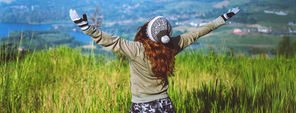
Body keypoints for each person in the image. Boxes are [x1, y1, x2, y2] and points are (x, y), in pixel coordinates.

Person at [69, 7, 240, 113]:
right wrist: (222, 19)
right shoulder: (172, 46)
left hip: (142, 107)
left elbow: (111, 40)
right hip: (165, 106)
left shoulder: (137, 49)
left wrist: (86, 27)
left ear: (146, 32)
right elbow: (197, 33)